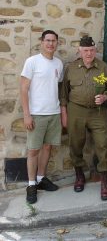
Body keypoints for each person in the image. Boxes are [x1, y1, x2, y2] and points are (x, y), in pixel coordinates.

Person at [60, 36, 107, 201]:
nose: (89, 53)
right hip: (76, 110)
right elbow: (64, 93)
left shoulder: (103, 68)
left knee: (103, 143)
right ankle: (79, 175)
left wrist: (105, 97)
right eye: (85, 50)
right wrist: (64, 113)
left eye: (91, 50)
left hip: (98, 112)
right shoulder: (71, 68)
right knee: (75, 144)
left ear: (95, 50)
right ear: (80, 51)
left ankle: (104, 180)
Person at [20, 30, 63, 204]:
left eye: (53, 41)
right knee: (33, 150)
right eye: (47, 40)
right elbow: (23, 89)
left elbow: (56, 87)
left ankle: (40, 179)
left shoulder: (59, 64)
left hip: (54, 112)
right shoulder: (32, 62)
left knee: (47, 148)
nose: (50, 44)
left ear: (57, 43)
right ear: (41, 42)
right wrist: (26, 115)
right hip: (36, 114)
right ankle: (31, 185)